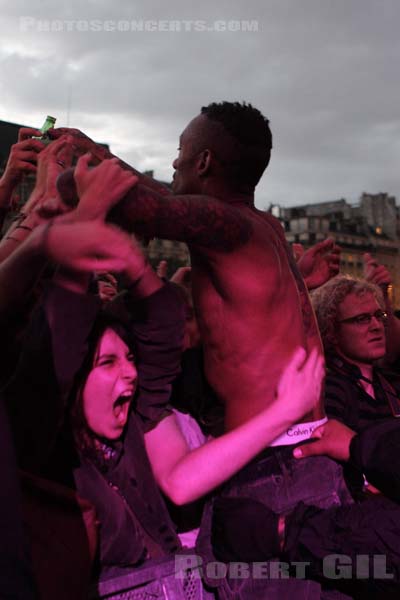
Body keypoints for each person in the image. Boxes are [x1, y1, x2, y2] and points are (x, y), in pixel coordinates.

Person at [2, 155, 324, 598]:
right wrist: (75, 237)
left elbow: (162, 325)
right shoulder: (42, 448)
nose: (132, 373)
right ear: (72, 382)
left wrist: (135, 269)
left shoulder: (135, 424)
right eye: (108, 363)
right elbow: (50, 355)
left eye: (130, 357)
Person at [54, 102, 332, 436]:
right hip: (300, 435)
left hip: (271, 457)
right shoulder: (263, 225)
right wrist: (96, 150)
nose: (174, 162)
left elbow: (98, 191)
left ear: (203, 162)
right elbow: (169, 199)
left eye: (180, 150)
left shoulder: (224, 225)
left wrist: (66, 174)